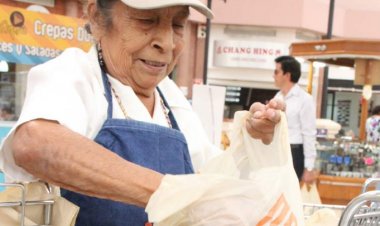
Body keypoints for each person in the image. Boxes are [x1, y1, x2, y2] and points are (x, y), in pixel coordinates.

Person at [0, 0, 284, 225]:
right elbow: (34, 143)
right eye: (147, 21)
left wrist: (251, 142)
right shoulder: (75, 73)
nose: (167, 43)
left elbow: (209, 175)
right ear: (98, 18)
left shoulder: (170, 97)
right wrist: (169, 193)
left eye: (177, 25)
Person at [273, 55, 317, 184]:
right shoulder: (277, 96)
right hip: (277, 150)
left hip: (294, 152)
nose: (273, 75)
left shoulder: (304, 99)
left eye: (276, 72)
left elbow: (309, 133)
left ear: (287, 75)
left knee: (288, 194)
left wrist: (309, 167)